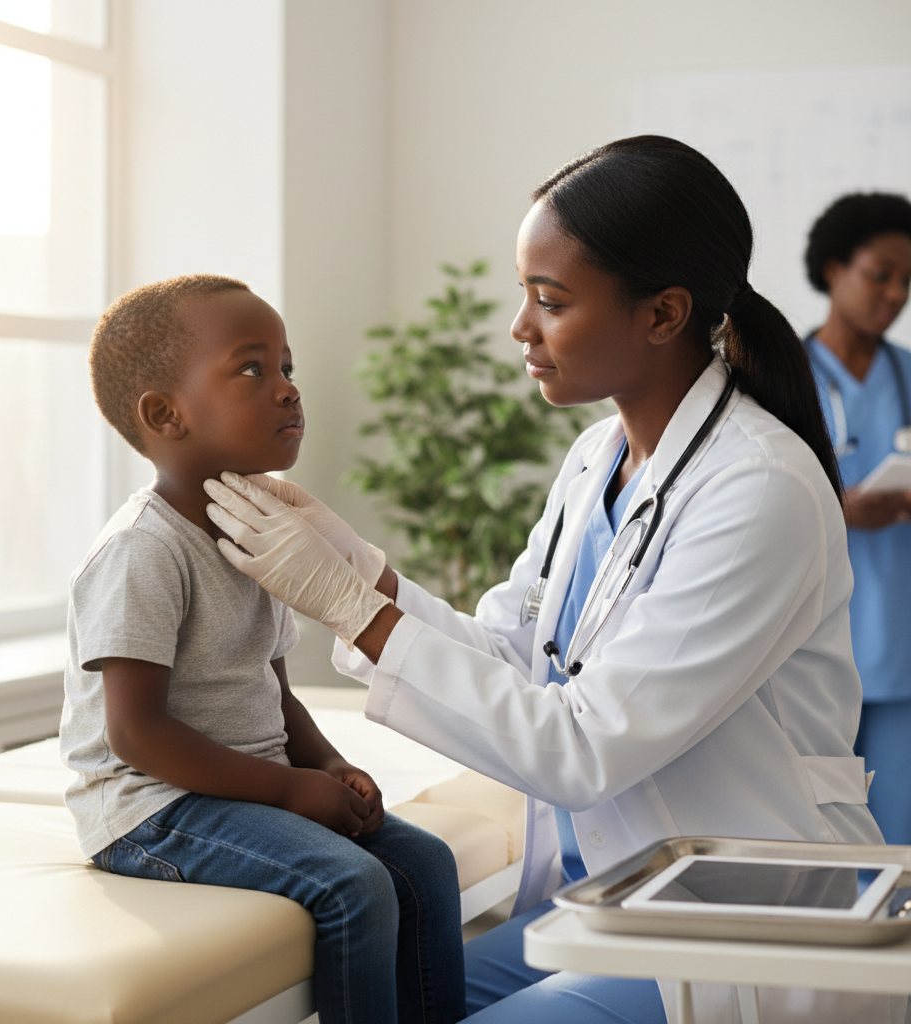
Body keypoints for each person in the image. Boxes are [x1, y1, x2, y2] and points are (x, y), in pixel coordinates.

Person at [204, 137, 904, 1024]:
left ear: (662, 314)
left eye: (551, 300)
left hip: (736, 926)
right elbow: (515, 650)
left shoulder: (759, 488)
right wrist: (361, 574)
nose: (519, 327)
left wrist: (357, 614)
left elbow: (582, 744)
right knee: (406, 992)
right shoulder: (597, 460)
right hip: (620, 901)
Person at [59, 274, 466, 1024]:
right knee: (355, 884)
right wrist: (286, 791)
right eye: (253, 368)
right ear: (164, 414)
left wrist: (327, 765)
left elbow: (271, 692)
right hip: (153, 808)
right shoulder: (143, 551)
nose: (286, 389)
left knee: (424, 865)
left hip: (233, 788)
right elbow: (134, 734)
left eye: (287, 367)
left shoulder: (254, 533)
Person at [803, 193, 911, 845]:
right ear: (834, 268)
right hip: (816, 631)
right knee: (817, 827)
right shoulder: (777, 372)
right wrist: (834, 507)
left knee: (898, 830)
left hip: (898, 638)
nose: (896, 294)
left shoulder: (907, 374)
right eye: (881, 274)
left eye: (907, 281)